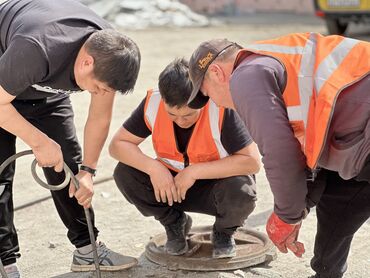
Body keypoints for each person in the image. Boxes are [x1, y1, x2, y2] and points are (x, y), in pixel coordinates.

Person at [187, 34, 370, 278]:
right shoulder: (275, 67)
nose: (216, 105)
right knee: (337, 202)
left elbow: (279, 152)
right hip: (357, 140)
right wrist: (297, 209)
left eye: (207, 93)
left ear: (218, 73)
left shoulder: (246, 75)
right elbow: (308, 157)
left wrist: (286, 215)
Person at [0, 0, 141, 276]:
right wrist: (39, 142)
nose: (100, 93)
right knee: (0, 174)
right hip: (4, 79)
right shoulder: (36, 46)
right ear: (87, 62)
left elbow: (99, 117)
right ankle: (5, 260)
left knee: (70, 168)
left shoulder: (110, 53)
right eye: (97, 87)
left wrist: (88, 170)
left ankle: (87, 250)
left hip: (45, 87)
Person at [109, 58, 260, 259]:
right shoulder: (153, 103)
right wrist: (154, 168)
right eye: (172, 114)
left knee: (242, 189)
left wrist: (195, 171)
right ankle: (174, 223)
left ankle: (224, 233)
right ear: (163, 99)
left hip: (215, 188)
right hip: (171, 188)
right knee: (124, 173)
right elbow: (117, 145)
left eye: (188, 115)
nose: (180, 121)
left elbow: (252, 162)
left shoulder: (220, 106)